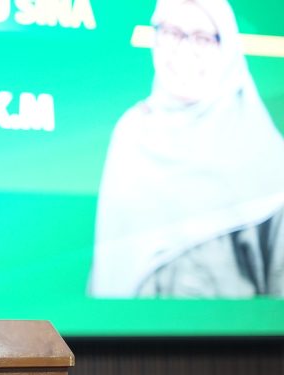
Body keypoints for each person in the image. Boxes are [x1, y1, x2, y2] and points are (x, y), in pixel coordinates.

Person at [89, 0, 284, 298]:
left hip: (230, 328)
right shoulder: (132, 132)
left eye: (203, 39)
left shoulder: (262, 149)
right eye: (171, 33)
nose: (183, 51)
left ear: (227, 48)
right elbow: (109, 267)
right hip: (132, 326)